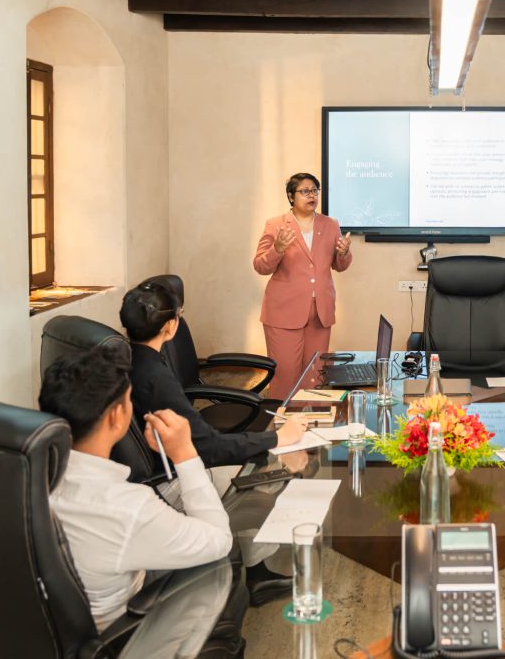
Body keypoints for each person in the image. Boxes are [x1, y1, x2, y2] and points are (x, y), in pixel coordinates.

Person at [121, 281, 308, 605]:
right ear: (170, 325)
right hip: (169, 482)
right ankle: (252, 577)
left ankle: (257, 574)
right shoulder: (156, 378)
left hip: (151, 473)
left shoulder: (131, 359)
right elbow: (209, 448)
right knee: (262, 477)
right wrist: (280, 437)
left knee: (256, 469)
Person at [41, 345, 234, 632]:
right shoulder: (128, 508)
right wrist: (184, 453)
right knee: (227, 577)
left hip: (51, 629)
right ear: (116, 416)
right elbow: (219, 541)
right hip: (120, 635)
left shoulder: (30, 477)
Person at [253, 172, 353, 399]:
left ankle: (312, 425)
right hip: (283, 312)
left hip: (320, 311)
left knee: (315, 374)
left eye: (315, 191)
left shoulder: (330, 224)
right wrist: (277, 249)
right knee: (286, 375)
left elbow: (340, 265)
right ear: (291, 196)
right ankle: (283, 428)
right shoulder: (276, 224)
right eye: (305, 191)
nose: (312, 195)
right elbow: (260, 265)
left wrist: (344, 253)